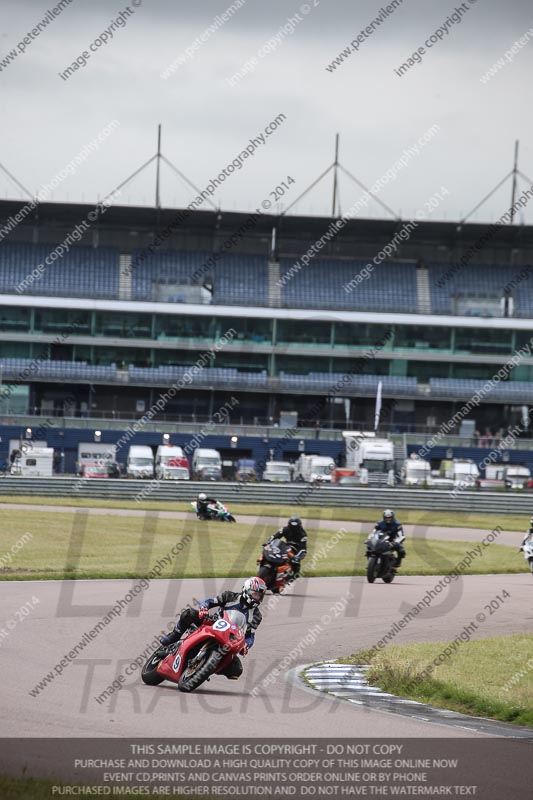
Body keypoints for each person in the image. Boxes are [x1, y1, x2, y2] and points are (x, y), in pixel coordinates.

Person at [160, 577, 267, 680]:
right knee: (189, 614)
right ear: (246, 590)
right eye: (255, 594)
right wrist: (204, 608)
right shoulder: (230, 596)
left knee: (236, 670)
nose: (257, 598)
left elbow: (250, 635)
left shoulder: (257, 616)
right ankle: (174, 636)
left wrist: (246, 645)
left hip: (230, 639)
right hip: (212, 623)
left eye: (259, 596)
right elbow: (209, 601)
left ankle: (207, 667)